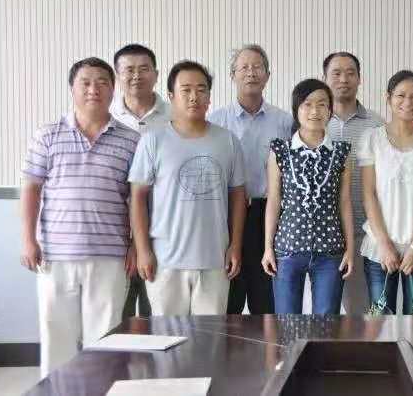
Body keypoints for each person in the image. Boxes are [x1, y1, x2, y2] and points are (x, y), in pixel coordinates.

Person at [20, 57, 140, 377]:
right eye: (85, 82)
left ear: (113, 89)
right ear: (72, 89)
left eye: (102, 82)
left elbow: (138, 199)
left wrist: (135, 245)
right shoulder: (47, 135)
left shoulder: (132, 140)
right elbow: (31, 189)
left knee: (105, 339)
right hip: (55, 255)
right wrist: (28, 240)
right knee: (56, 337)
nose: (93, 89)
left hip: (111, 256)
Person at [129, 61, 247, 316]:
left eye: (201, 89)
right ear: (171, 96)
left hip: (215, 260)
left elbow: (238, 196)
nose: (194, 96)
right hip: (165, 261)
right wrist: (143, 250)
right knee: (167, 336)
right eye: (186, 90)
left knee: (210, 336)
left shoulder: (228, 141)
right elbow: (137, 198)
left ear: (209, 97)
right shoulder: (153, 141)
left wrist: (235, 245)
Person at [209, 44, 292, 314]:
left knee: (266, 301)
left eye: (257, 67)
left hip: (269, 214)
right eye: (243, 67)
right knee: (228, 299)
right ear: (232, 75)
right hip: (227, 214)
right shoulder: (216, 121)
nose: (251, 73)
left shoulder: (285, 122)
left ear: (268, 75)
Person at [260, 79, 354, 314]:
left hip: (330, 252)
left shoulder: (342, 152)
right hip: (287, 250)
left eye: (322, 104)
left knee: (326, 324)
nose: (315, 111)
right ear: (296, 109)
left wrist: (350, 249)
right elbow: (274, 201)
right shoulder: (280, 150)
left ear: (330, 111)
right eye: (307, 104)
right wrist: (268, 248)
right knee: (286, 323)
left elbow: (344, 203)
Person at [358, 70, 413, 314]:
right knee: (380, 320)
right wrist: (385, 245)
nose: (408, 102)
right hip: (379, 246)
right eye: (401, 95)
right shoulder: (372, 139)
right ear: (388, 98)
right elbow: (368, 194)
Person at [110, 43, 171, 319]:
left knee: (155, 316)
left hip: (161, 231)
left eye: (144, 69)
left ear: (156, 74)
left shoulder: (175, 117)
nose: (136, 76)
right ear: (117, 75)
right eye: (129, 70)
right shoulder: (106, 117)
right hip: (115, 233)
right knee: (115, 317)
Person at [323, 51, 384, 313]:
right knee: (323, 313)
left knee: (360, 312)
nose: (343, 79)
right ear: (324, 78)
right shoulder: (313, 120)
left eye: (350, 73)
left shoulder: (377, 124)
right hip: (322, 234)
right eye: (336, 73)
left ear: (360, 78)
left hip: (364, 230)